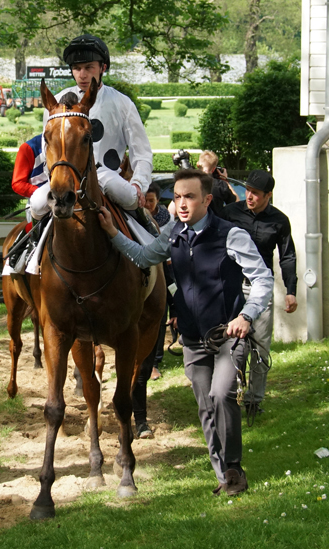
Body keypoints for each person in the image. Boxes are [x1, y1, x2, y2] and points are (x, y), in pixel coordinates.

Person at [98, 168, 273, 495]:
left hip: (229, 335)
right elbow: (142, 256)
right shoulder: (171, 234)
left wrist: (247, 316)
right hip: (193, 339)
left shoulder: (230, 235)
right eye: (177, 196)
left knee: (222, 396)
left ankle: (234, 467)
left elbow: (263, 279)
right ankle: (224, 476)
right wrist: (111, 232)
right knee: (206, 407)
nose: (181, 203)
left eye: (189, 196)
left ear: (207, 199)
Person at [30, 33, 154, 229]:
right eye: (77, 68)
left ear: (102, 68)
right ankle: (30, 247)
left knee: (128, 196)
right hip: (66, 176)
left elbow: (143, 152)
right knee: (36, 204)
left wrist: (138, 183)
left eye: (89, 68)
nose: (82, 74)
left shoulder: (122, 103)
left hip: (105, 175)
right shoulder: (56, 103)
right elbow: (48, 150)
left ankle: (150, 235)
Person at [221, 169, 298, 415]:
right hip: (231, 287)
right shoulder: (230, 213)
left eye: (255, 193)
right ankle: (227, 396)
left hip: (260, 290)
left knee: (261, 347)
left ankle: (254, 401)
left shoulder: (280, 221)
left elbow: (287, 257)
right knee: (231, 344)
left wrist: (290, 290)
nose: (250, 196)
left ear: (268, 195)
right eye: (248, 191)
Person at [144, 181, 171, 381]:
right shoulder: (135, 217)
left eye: (151, 201)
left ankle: (155, 361)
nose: (147, 204)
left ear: (158, 201)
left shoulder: (167, 220)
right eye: (144, 200)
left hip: (168, 266)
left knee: (161, 314)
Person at [196, 150, 238, 217]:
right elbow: (237, 203)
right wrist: (225, 180)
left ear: (198, 165)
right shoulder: (221, 185)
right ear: (214, 169)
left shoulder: (190, 183)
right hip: (216, 225)